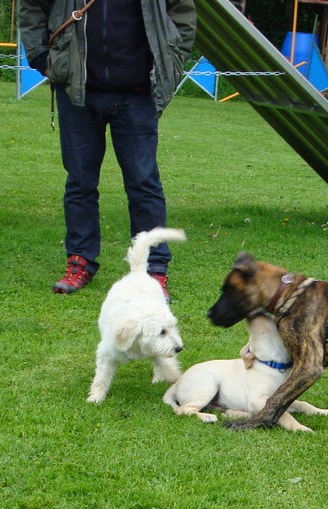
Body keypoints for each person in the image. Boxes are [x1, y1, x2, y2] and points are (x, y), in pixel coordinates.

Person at [19, 0, 196, 298]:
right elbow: (31, 6)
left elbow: (183, 15)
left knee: (143, 183)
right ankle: (80, 262)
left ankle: (152, 269)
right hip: (77, 89)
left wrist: (172, 58)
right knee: (80, 181)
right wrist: (40, 57)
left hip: (138, 93)